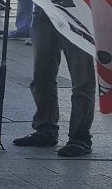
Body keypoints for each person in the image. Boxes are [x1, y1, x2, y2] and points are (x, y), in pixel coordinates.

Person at [14, 14, 96, 158]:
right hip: (44, 10)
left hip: (76, 13)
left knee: (82, 79)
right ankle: (45, 130)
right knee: (42, 75)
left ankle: (80, 137)